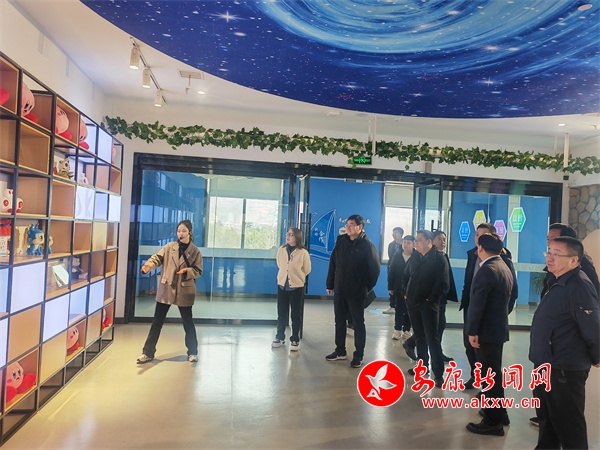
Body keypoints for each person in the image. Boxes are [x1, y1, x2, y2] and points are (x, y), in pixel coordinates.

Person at [529, 236, 599, 449]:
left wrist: (597, 356)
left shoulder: (578, 286)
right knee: (547, 420)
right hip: (546, 363)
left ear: (574, 259)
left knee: (569, 426)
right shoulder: (556, 280)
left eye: (557, 254)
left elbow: (593, 327)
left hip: (564, 368)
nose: (550, 258)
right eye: (549, 252)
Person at [465, 233, 514, 436]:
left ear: (481, 248)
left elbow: (477, 304)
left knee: (489, 377)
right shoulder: (503, 265)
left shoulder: (487, 269)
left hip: (485, 332)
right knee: (494, 374)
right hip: (497, 329)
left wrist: (472, 331)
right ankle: (500, 413)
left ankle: (493, 422)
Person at [460, 223, 518, 389]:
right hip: (473, 308)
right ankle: (477, 378)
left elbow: (513, 290)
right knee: (470, 348)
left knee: (489, 362)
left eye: (483, 236)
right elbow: (468, 282)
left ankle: (489, 393)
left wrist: (501, 312)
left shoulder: (500, 260)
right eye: (477, 235)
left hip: (489, 318)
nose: (478, 239)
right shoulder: (473, 254)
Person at [137, 219, 203, 364]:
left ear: (190, 232)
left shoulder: (195, 251)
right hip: (166, 287)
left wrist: (187, 271)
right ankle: (147, 353)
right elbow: (157, 258)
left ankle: (192, 352)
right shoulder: (169, 247)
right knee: (157, 322)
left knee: (188, 322)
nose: (181, 233)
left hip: (184, 289)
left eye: (184, 231)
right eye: (179, 231)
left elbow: (198, 271)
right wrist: (148, 266)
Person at [325, 214, 380, 369]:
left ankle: (358, 355)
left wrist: (365, 287)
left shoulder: (367, 245)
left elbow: (374, 270)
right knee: (339, 321)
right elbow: (333, 264)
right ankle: (340, 351)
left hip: (356, 292)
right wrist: (330, 284)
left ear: (360, 227)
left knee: (358, 323)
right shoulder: (341, 241)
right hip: (340, 289)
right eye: (347, 224)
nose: (348, 227)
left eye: (351, 225)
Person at [403, 230, 449, 387]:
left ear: (429, 242)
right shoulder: (415, 257)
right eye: (415, 240)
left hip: (429, 305)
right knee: (420, 337)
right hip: (413, 303)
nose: (416, 243)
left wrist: (430, 300)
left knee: (432, 338)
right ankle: (422, 367)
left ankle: (438, 373)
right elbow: (406, 276)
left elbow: (442, 283)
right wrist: (405, 293)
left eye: (419, 240)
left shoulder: (439, 259)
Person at [272, 227, 312, 351]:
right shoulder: (281, 250)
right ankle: (280, 337)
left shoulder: (303, 252)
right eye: (287, 234)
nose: (288, 236)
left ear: (297, 237)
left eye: (291, 234)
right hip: (282, 285)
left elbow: (307, 269)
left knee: (296, 314)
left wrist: (296, 276)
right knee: (281, 313)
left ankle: (295, 339)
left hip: (296, 286)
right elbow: (280, 264)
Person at [432, 230, 458, 362]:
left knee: (440, 325)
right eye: (439, 239)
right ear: (432, 241)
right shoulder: (432, 257)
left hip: (442, 297)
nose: (443, 242)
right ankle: (412, 344)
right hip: (434, 298)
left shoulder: (443, 255)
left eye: (444, 239)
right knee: (434, 326)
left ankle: (438, 353)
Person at [388, 235, 414, 341]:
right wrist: (390, 286)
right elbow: (392, 272)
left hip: (411, 288)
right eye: (404, 242)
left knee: (409, 310)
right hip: (398, 287)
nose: (405, 245)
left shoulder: (416, 257)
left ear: (413, 245)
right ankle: (397, 329)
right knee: (399, 308)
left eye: (408, 243)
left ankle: (407, 330)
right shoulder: (397, 255)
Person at [384, 227, 404, 314]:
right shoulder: (391, 245)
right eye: (393, 233)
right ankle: (392, 305)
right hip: (392, 268)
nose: (394, 235)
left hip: (402, 270)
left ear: (401, 234)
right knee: (392, 287)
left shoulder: (404, 244)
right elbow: (391, 257)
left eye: (396, 233)